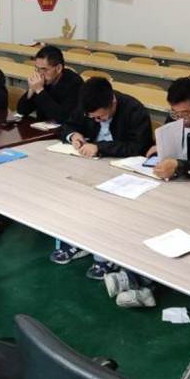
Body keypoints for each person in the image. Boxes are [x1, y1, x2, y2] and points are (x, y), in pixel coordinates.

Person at [55, 77, 153, 280]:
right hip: (92, 165)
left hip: (124, 170)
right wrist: (74, 135)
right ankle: (78, 240)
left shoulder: (134, 110)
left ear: (113, 103)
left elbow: (138, 147)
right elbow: (67, 125)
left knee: (107, 205)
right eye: (92, 117)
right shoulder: (87, 106)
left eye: (100, 117)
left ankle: (107, 254)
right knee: (70, 191)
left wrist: (100, 148)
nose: (96, 120)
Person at [16, 45, 82, 124]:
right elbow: (22, 111)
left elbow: (64, 118)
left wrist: (40, 90)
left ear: (58, 68)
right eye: (37, 69)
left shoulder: (75, 84)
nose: (40, 74)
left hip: (63, 129)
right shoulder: (42, 81)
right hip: (41, 126)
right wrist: (31, 90)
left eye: (44, 69)